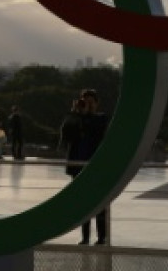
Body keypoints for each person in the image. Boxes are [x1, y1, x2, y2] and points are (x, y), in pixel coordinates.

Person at [65, 89, 110, 246]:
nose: (88, 106)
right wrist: (75, 115)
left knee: (100, 203)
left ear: (97, 104)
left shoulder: (101, 118)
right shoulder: (76, 118)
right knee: (83, 204)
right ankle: (85, 237)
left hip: (96, 166)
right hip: (78, 165)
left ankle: (102, 236)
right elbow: (66, 134)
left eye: (91, 102)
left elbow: (97, 132)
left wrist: (85, 116)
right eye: (85, 102)